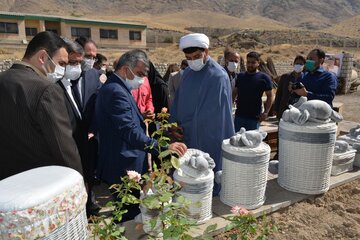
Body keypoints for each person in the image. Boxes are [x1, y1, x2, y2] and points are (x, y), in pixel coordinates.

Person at [95, 49, 187, 221]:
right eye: (139, 74)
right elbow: (130, 132)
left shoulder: (118, 87)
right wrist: (164, 147)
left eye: (145, 75)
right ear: (125, 69)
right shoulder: (116, 92)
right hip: (123, 164)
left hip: (122, 160)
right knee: (128, 214)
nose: (142, 80)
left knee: (125, 210)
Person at [0, 31, 82, 180]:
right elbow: (64, 148)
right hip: (39, 183)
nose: (62, 71)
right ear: (43, 57)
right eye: (61, 63)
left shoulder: (3, 79)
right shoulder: (46, 90)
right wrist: (78, 181)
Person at [170, 33, 235, 195]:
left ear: (206, 51)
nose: (193, 61)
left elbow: (218, 113)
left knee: (207, 171)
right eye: (189, 57)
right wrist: (174, 126)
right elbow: (178, 102)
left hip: (210, 135)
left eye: (197, 56)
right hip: (186, 134)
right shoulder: (188, 74)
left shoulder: (218, 76)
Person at [233, 51, 273, 131]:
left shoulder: (264, 78)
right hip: (239, 116)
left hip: (254, 118)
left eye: (253, 62)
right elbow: (234, 92)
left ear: (258, 63)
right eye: (248, 62)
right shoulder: (240, 76)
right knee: (237, 141)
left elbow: (270, 96)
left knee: (252, 142)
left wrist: (265, 113)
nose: (250, 65)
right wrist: (230, 106)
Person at [273, 55, 306, 120]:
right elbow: (279, 93)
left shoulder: (306, 78)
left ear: (304, 66)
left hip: (299, 109)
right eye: (297, 63)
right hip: (284, 107)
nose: (298, 65)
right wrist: (275, 108)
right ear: (293, 64)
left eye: (301, 64)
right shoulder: (285, 77)